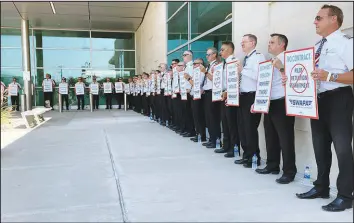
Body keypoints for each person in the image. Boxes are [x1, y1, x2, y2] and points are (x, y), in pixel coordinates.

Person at [295, 4, 353, 212]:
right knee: (320, 146)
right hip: (318, 100)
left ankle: (346, 196)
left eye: (319, 18)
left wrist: (330, 76)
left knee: (342, 148)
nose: (315, 22)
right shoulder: (318, 44)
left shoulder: (346, 43)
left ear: (334, 19)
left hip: (339, 99)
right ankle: (321, 187)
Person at [255, 33, 297, 184]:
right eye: (269, 42)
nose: (269, 45)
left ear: (282, 44)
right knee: (270, 135)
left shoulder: (290, 59)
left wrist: (282, 67)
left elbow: (296, 79)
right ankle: (272, 165)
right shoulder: (270, 61)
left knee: (285, 138)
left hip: (283, 102)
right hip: (269, 102)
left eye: (272, 42)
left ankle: (289, 171)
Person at [234, 35, 266, 168]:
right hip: (242, 96)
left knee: (250, 128)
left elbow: (260, 76)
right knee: (242, 127)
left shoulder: (258, 57)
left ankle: (254, 157)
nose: (242, 44)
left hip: (252, 96)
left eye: (244, 42)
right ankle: (246, 154)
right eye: (241, 42)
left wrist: (243, 70)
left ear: (252, 43)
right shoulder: (245, 59)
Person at [216, 41, 239, 157]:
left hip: (231, 96)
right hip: (223, 95)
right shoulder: (224, 64)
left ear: (230, 50)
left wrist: (228, 92)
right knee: (224, 122)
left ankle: (233, 148)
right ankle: (226, 145)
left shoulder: (234, 62)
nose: (220, 52)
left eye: (222, 49)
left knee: (231, 123)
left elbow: (235, 81)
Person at [199, 47, 221, 148]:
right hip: (207, 93)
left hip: (213, 93)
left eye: (209, 54)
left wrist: (205, 72)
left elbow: (215, 79)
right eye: (206, 54)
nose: (207, 56)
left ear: (214, 55)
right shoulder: (209, 66)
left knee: (213, 118)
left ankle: (216, 140)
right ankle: (211, 138)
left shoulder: (217, 65)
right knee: (208, 117)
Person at [186, 58, 207, 143]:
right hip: (194, 95)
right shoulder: (196, 72)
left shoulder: (201, 72)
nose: (194, 65)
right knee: (195, 116)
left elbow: (196, 85)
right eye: (193, 64)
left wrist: (188, 79)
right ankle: (198, 133)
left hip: (198, 96)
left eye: (195, 64)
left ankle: (201, 135)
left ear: (201, 64)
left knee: (198, 117)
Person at [182, 50, 196, 137]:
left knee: (190, 113)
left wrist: (189, 89)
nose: (183, 56)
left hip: (190, 92)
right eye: (183, 55)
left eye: (185, 55)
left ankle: (191, 131)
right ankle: (188, 129)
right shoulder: (187, 66)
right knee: (186, 112)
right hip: (186, 92)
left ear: (190, 55)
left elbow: (191, 78)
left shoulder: (191, 66)